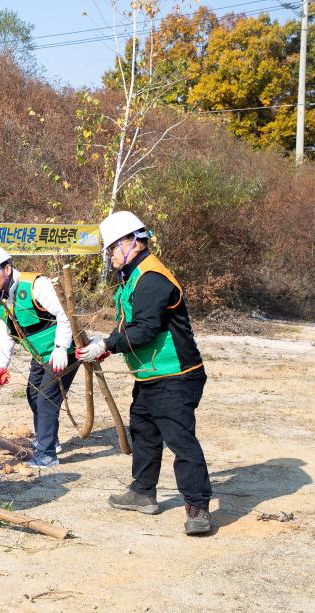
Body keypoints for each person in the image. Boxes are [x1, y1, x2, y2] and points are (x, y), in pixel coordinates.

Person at [76, 211, 212, 535]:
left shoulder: (151, 277)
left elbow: (146, 330)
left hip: (176, 376)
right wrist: (108, 346)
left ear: (132, 242)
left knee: (180, 440)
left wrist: (108, 342)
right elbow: (130, 325)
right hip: (151, 376)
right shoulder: (133, 277)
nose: (110, 255)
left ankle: (198, 508)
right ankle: (142, 492)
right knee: (144, 432)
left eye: (112, 248)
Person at [0, 246, 78, 468]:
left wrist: (61, 347)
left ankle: (47, 454)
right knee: (33, 394)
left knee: (46, 399)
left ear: (7, 267)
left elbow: (65, 314)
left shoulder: (36, 285)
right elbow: (5, 335)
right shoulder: (1, 299)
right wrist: (0, 366)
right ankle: (50, 439)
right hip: (39, 356)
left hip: (62, 353)